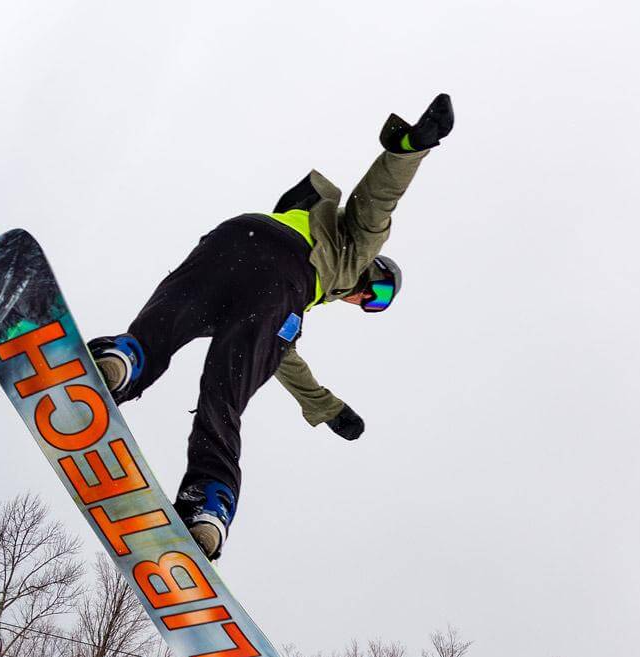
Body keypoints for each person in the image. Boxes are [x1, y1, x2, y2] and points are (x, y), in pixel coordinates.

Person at [86, 93, 454, 558]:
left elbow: (286, 360)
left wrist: (328, 409)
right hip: (285, 275)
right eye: (376, 292)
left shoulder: (296, 310)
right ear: (373, 270)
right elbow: (379, 199)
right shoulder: (357, 246)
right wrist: (409, 148)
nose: (365, 300)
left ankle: (124, 360)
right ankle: (208, 500)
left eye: (375, 305)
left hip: (234, 239)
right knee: (225, 394)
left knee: (170, 319)